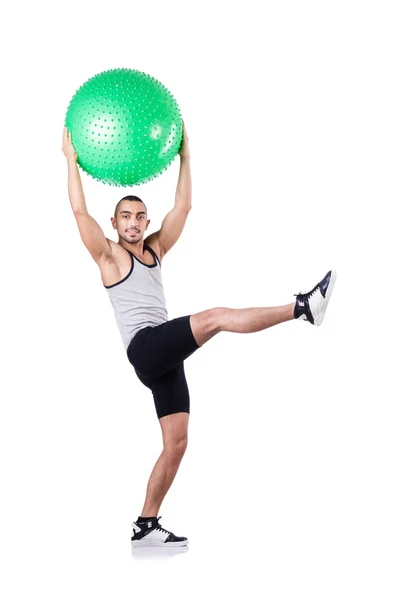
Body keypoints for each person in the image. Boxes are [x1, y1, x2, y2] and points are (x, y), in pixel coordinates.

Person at [62, 122, 336, 548]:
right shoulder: (109, 256)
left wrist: (185, 155)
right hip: (146, 348)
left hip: (164, 359)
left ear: (146, 221)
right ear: (113, 222)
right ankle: (302, 307)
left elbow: (184, 207)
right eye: (125, 217)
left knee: (177, 443)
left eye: (139, 217)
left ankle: (145, 525)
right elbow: (80, 214)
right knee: (214, 318)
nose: (133, 223)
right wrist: (71, 163)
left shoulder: (155, 249)